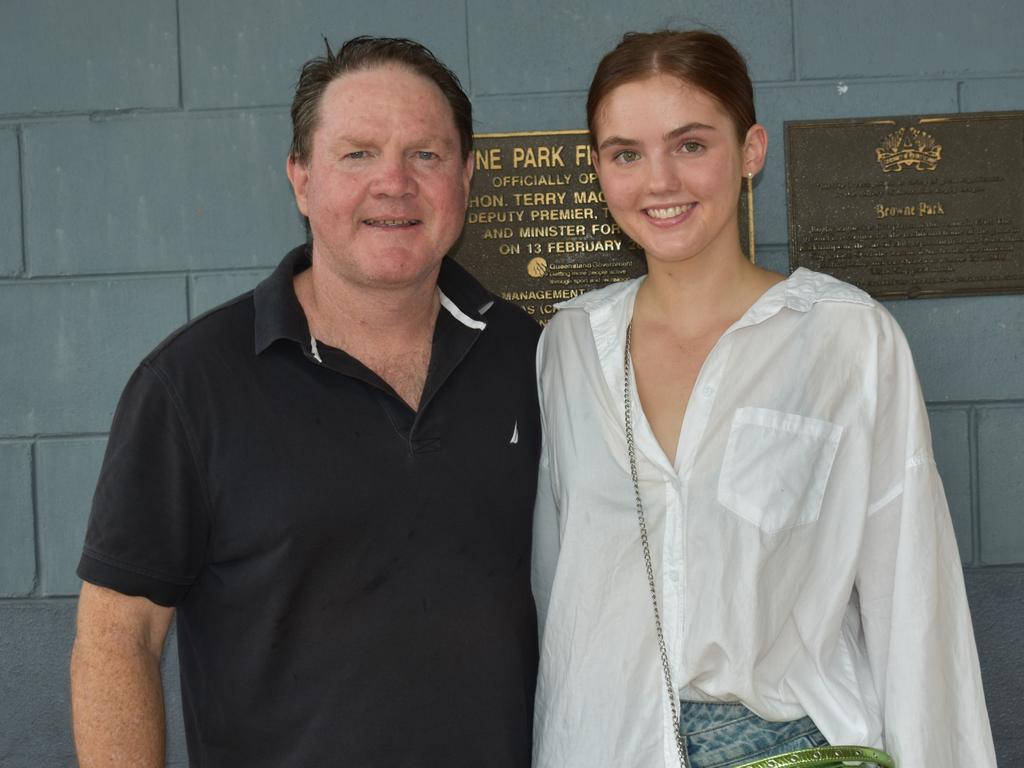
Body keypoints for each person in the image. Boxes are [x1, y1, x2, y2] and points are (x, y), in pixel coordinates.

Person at [71, 36, 540, 767]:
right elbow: (117, 636)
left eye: (427, 154)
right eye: (357, 154)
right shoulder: (192, 385)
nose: (394, 182)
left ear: (467, 177)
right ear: (300, 179)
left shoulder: (533, 361)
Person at [531, 30, 995, 768]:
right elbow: (560, 594)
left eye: (690, 145)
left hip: (788, 745)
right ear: (598, 168)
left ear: (751, 151)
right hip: (604, 743)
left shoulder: (843, 337)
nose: (659, 181)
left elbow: (913, 596)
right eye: (626, 153)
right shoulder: (571, 345)